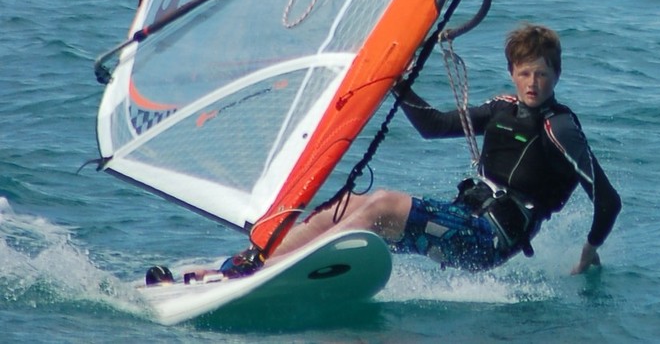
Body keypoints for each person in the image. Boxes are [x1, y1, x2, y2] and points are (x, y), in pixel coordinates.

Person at [225, 23, 620, 276]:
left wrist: (588, 252)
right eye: (525, 73)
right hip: (463, 219)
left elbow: (608, 200)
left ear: (557, 75)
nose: (533, 83)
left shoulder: (561, 128)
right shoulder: (503, 108)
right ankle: (257, 261)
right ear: (512, 73)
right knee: (355, 202)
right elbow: (434, 126)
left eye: (542, 74)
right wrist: (397, 80)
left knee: (384, 206)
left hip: (490, 241)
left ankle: (284, 271)